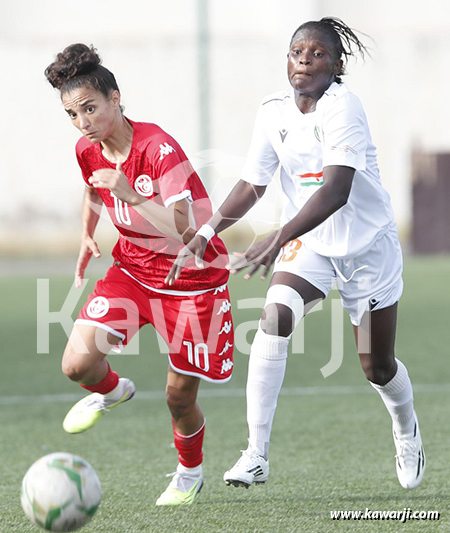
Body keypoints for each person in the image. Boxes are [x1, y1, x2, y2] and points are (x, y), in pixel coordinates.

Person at [166, 17, 425, 490]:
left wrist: (278, 236)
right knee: (274, 318)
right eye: (296, 52)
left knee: (377, 366)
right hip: (312, 245)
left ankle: (406, 431)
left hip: (367, 248)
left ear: (337, 64)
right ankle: (256, 453)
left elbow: (336, 191)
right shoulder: (272, 112)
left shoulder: (344, 108)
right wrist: (205, 232)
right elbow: (252, 184)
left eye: (317, 53)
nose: (304, 59)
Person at [44, 43, 234, 506]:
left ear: (115, 99)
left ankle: (189, 473)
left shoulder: (157, 148)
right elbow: (92, 191)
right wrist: (87, 236)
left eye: (90, 108)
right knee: (77, 364)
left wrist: (130, 194)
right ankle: (114, 392)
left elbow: (189, 229)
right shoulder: (87, 149)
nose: (83, 122)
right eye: (72, 114)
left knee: (179, 400)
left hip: (190, 279)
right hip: (132, 269)